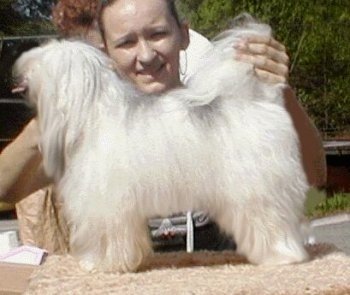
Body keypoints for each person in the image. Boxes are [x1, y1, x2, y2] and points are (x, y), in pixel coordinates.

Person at [0, 0, 326, 254]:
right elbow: (4, 192)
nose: (145, 55)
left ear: (183, 34)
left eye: (157, 34)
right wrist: (44, 124)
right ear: (106, 53)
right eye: (126, 42)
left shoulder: (227, 115)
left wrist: (281, 94)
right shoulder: (89, 137)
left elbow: (315, 182)